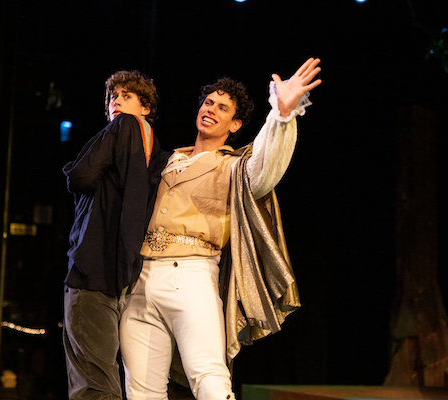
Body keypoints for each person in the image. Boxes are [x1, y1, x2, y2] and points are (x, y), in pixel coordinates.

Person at [119, 58, 322, 400]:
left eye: (222, 107)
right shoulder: (166, 160)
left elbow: (265, 168)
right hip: (141, 280)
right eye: (208, 102)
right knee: (140, 391)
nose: (210, 109)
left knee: (210, 378)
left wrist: (282, 116)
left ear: (235, 124)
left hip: (192, 276)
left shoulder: (234, 168)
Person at [62, 70, 169, 400]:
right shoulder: (156, 152)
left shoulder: (120, 127)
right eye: (113, 97)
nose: (117, 102)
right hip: (123, 276)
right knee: (106, 371)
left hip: (91, 271)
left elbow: (80, 176)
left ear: (146, 106)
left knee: (91, 378)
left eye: (127, 96)